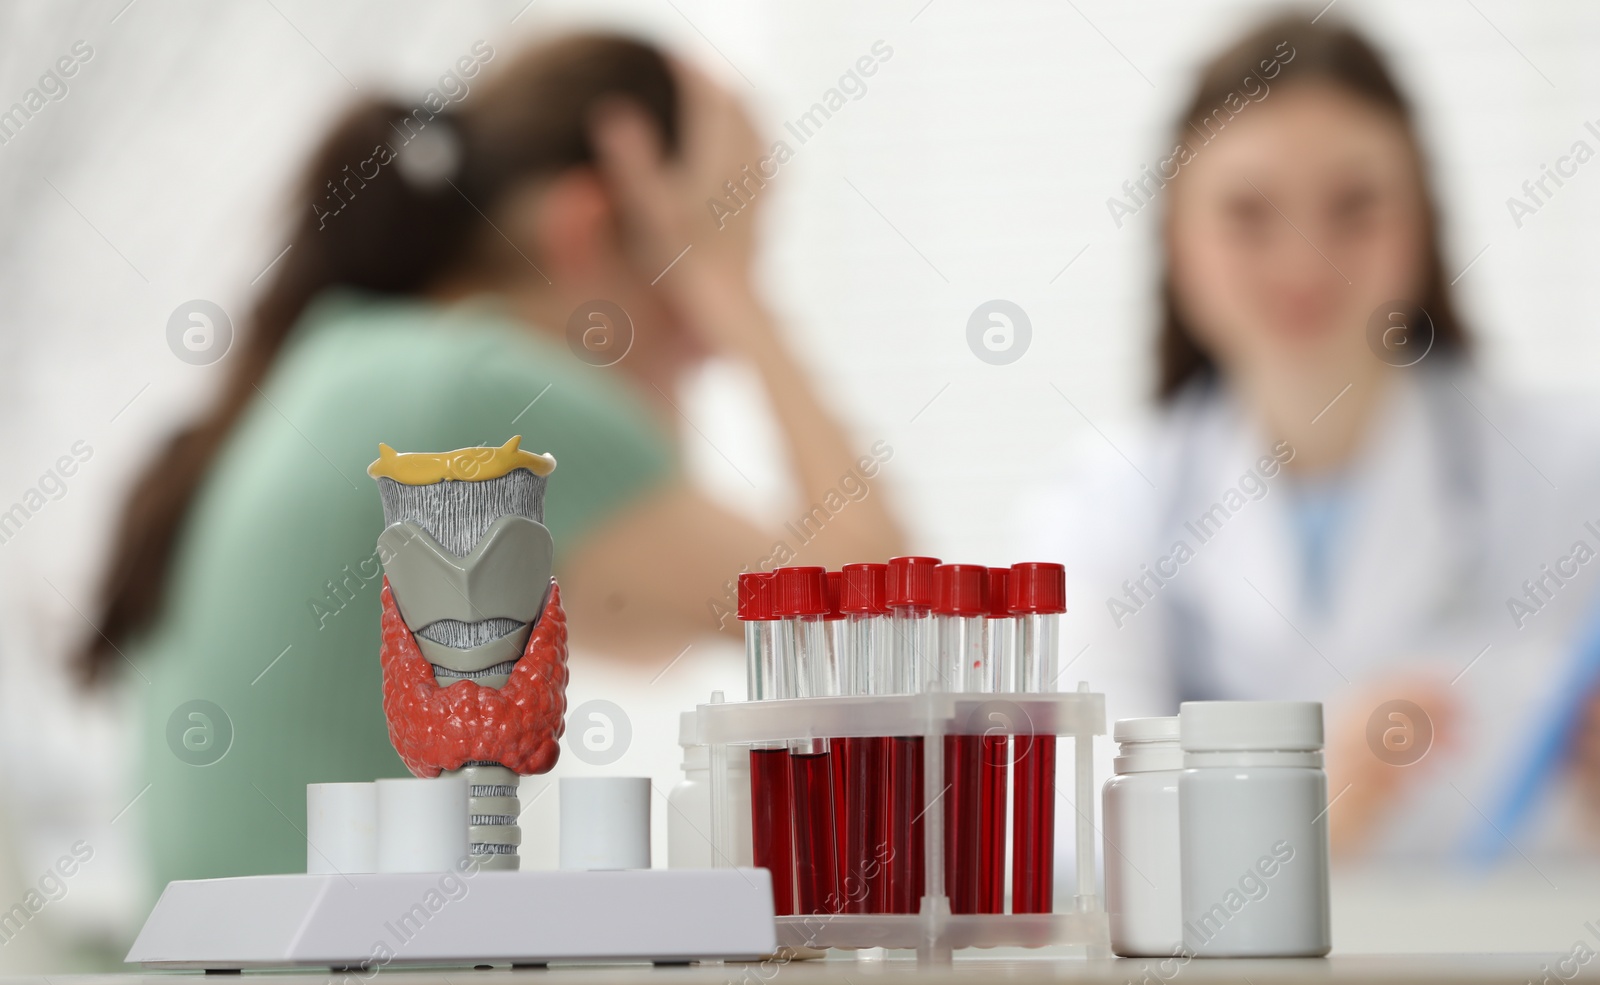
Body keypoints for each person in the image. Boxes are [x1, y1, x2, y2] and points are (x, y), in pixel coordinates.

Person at [75, 34, 903, 894]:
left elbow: (643, 624)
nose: (709, 349)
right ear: (584, 227)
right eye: (701, 259)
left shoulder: (356, 362)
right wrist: (743, 304)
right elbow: (876, 619)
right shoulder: (479, 392)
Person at [1034, 14, 1600, 862]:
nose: (1305, 260)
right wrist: (1326, 795)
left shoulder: (1568, 467)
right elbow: (1083, 847)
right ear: (1177, 242)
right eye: (1248, 212)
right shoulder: (1105, 504)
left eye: (1355, 207)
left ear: (1421, 227)